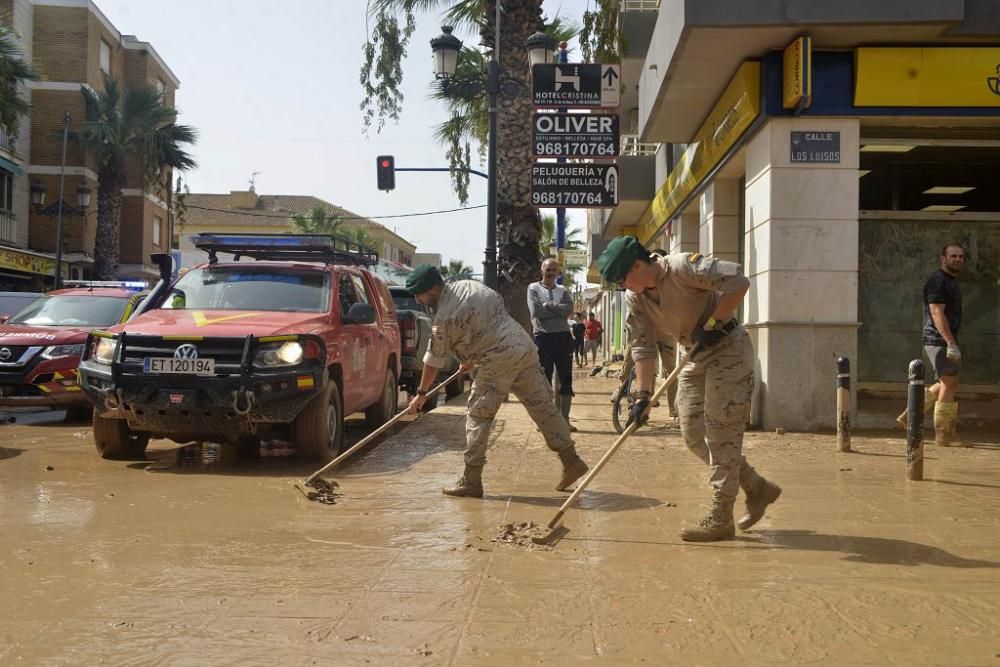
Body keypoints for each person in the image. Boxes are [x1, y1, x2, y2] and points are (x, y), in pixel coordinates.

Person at [598, 236, 781, 542]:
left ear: (637, 266)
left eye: (623, 279)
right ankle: (756, 486)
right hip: (693, 356)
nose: (623, 287)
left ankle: (722, 516)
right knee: (692, 432)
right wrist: (642, 397)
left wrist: (714, 321)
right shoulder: (636, 298)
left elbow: (738, 281)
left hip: (727, 349)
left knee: (721, 429)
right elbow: (642, 346)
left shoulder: (683, 267)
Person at [404, 264, 589, 497]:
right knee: (542, 408)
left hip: (498, 358)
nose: (418, 300)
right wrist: (472, 356)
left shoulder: (443, 319)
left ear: (432, 289)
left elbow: (433, 360)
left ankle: (470, 480)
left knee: (478, 416)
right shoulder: (468, 285)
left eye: (419, 294)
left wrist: (421, 393)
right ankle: (571, 460)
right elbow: (486, 321)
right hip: (523, 347)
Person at [897, 243, 965, 446]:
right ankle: (944, 435)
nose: (958, 259)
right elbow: (937, 313)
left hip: (942, 339)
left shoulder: (950, 281)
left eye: (961, 256)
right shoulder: (938, 281)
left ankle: (910, 416)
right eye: (953, 256)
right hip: (939, 339)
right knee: (949, 383)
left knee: (947, 382)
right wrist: (950, 342)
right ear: (943, 259)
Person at [527, 258, 577, 431]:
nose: (550, 272)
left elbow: (570, 310)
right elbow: (537, 312)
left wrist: (548, 305)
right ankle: (545, 421)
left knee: (566, 380)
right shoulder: (533, 288)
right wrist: (558, 310)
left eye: (553, 269)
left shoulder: (563, 290)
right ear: (542, 269)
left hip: (564, 338)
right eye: (547, 269)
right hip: (543, 338)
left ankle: (564, 420)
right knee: (543, 381)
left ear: (558, 272)